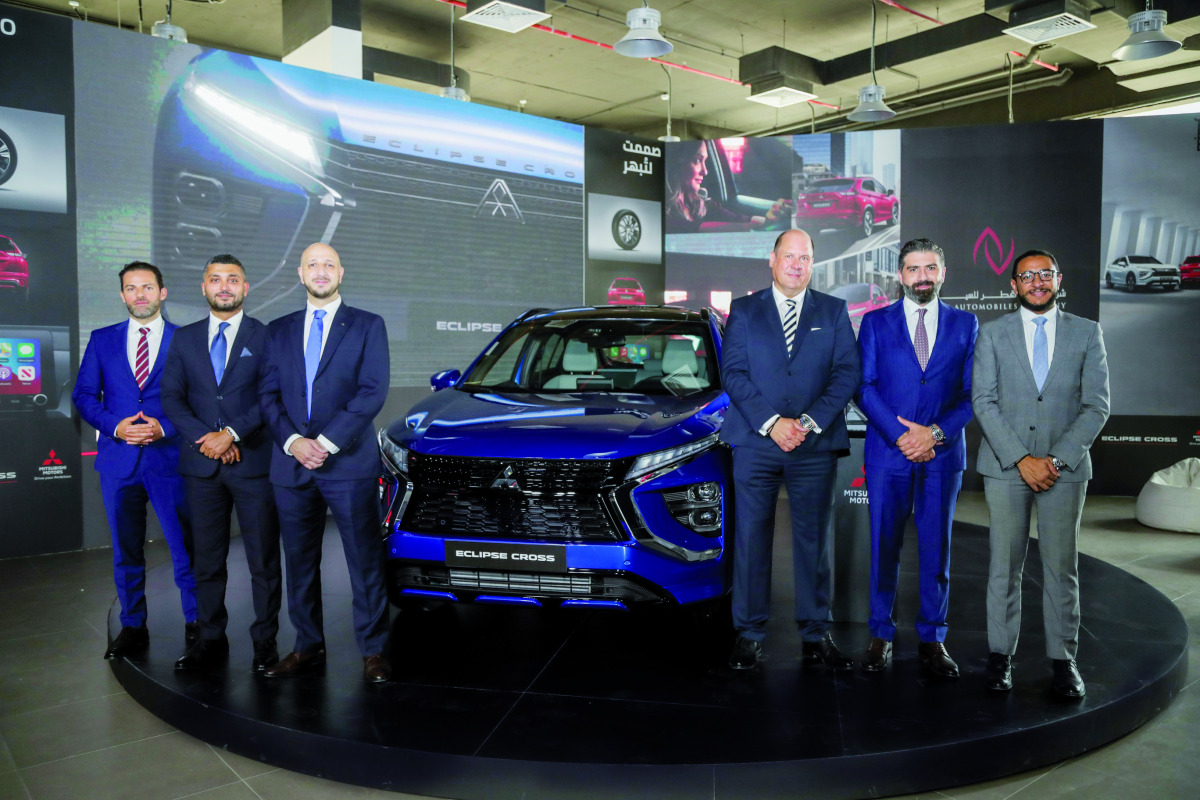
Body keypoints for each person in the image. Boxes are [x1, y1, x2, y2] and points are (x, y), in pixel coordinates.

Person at [721, 229, 861, 670]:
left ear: (812, 263)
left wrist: (806, 422)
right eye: (789, 256)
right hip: (755, 443)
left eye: (805, 257)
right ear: (772, 258)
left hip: (813, 443)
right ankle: (749, 632)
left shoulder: (834, 311)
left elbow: (846, 374)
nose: (797, 264)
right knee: (751, 538)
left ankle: (815, 632)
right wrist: (771, 424)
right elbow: (734, 374)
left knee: (814, 542)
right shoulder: (743, 310)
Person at [972, 249, 1110, 698]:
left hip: (1064, 471)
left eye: (1044, 274)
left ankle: (1063, 660)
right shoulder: (992, 335)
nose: (1036, 282)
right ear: (1013, 285)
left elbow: (1097, 406)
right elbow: (983, 402)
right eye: (1026, 276)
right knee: (1004, 565)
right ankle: (1000, 656)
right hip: (1006, 468)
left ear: (1058, 279)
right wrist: (1022, 459)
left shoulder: (1087, 333)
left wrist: (1054, 460)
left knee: (1061, 568)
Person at [258, 242, 392, 683]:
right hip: (291, 464)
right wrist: (295, 441)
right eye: (312, 265)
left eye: (328, 265)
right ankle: (307, 645)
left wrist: (327, 442)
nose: (320, 271)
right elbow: (268, 395)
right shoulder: (277, 330)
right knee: (298, 560)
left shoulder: (369, 325)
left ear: (341, 272)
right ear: (300, 274)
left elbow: (372, 391)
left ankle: (373, 650)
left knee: (364, 559)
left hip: (348, 462)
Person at [855, 238, 978, 677]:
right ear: (900, 275)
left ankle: (933, 637)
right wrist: (901, 435)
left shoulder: (966, 324)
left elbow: (971, 395)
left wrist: (935, 434)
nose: (921, 276)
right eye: (912, 269)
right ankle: (879, 634)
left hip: (942, 456)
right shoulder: (874, 323)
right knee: (883, 548)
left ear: (942, 273)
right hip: (889, 454)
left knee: (936, 551)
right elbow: (863, 388)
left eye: (930, 268)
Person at [161, 255, 282, 673]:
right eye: (216, 279)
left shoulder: (266, 337)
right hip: (201, 468)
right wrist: (208, 440)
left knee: (263, 561)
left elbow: (271, 399)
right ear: (204, 287)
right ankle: (210, 639)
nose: (224, 286)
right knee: (207, 560)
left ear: (246, 288)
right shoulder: (185, 338)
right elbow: (172, 400)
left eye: (233, 280)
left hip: (253, 465)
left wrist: (230, 434)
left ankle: (265, 643)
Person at [73, 261, 198, 659]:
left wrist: (164, 428)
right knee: (126, 550)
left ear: (162, 292)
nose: (139, 294)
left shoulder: (187, 340)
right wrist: (116, 427)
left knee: (186, 549)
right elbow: (84, 396)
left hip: (171, 461)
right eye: (131, 288)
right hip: (118, 462)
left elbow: (198, 400)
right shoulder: (101, 340)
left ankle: (198, 625)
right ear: (123, 295)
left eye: (147, 287)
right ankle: (132, 626)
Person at [665, 140, 792, 234]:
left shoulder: (699, 202)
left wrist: (768, 220)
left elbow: (735, 219)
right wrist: (752, 226)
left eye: (705, 161)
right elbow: (697, 229)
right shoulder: (663, 211)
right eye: (698, 160)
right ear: (677, 162)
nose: (705, 171)